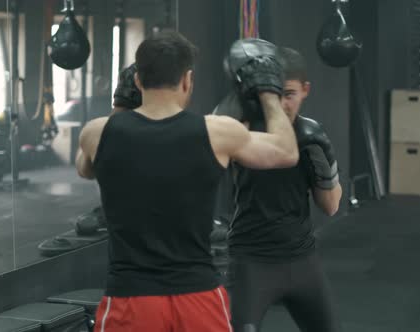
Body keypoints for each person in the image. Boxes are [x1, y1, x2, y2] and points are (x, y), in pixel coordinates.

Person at [75, 31, 299, 332]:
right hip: (198, 298)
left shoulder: (96, 133)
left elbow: (87, 168)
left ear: (138, 81)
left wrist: (122, 106)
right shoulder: (218, 132)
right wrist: (269, 93)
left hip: (130, 300)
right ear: (187, 80)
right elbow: (286, 152)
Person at [225, 47, 343, 332]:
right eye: (275, 96)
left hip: (303, 261)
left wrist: (324, 165)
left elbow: (330, 206)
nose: (281, 105)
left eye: (289, 94)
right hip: (252, 263)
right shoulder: (243, 134)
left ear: (305, 90)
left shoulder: (312, 136)